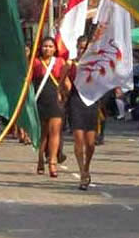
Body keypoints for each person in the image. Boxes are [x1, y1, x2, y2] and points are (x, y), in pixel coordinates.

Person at [62, 36, 99, 190]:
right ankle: (82, 172)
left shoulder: (95, 65)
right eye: (80, 47)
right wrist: (64, 87)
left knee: (90, 143)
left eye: (86, 47)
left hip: (91, 102)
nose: (82, 50)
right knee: (78, 139)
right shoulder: (71, 64)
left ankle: (87, 166)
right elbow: (61, 82)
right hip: (75, 101)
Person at [32, 37, 66, 178]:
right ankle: (40, 158)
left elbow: (65, 81)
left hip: (55, 101)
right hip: (40, 100)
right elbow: (28, 82)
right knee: (43, 134)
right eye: (45, 46)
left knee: (55, 132)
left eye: (51, 46)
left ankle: (52, 162)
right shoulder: (35, 62)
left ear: (55, 49)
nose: (48, 49)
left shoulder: (60, 62)